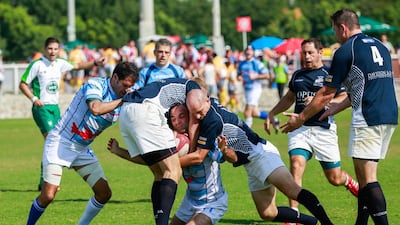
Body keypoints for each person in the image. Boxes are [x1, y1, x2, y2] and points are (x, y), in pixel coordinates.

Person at [281, 9, 398, 225]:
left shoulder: (347, 50)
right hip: (389, 114)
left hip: (368, 117)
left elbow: (325, 93)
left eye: (335, 30)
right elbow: (363, 87)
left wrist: (300, 118)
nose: (335, 35)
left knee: (369, 180)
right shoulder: (380, 47)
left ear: (342, 28)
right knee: (364, 179)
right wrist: (335, 108)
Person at [185, 88, 334, 225]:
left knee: (293, 191)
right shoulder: (212, 105)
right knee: (268, 213)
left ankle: (328, 223)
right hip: (250, 163)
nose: (198, 116)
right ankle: (310, 221)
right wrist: (224, 151)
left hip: (261, 155)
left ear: (207, 100)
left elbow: (198, 156)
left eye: (199, 112)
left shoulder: (212, 121)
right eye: (194, 114)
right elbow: (234, 158)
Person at [25, 61, 139, 225]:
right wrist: (123, 101)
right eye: (125, 84)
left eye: (131, 86)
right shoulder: (95, 85)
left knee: (104, 193)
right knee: (48, 195)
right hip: (60, 141)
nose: (127, 89)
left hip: (81, 148)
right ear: (114, 77)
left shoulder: (125, 96)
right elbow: (95, 108)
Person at [265, 38, 359, 225]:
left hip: (323, 130)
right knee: (296, 164)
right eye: (304, 53)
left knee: (334, 178)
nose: (306, 56)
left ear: (320, 52)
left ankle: (348, 181)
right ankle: (294, 215)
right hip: (300, 128)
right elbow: (289, 97)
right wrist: (272, 112)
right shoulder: (297, 75)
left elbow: (343, 96)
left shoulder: (329, 74)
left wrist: (321, 101)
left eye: (310, 52)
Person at [107, 103, 236, 225]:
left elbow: (232, 159)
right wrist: (119, 151)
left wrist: (224, 150)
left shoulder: (203, 139)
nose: (177, 121)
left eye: (181, 116)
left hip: (212, 202)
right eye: (173, 118)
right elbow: (150, 161)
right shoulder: (170, 143)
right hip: (190, 201)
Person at [19, 37, 106, 191]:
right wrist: (34, 98)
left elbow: (78, 66)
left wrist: (95, 63)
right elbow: (23, 83)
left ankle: (44, 182)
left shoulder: (59, 63)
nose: (53, 52)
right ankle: (48, 181)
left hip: (55, 108)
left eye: (55, 49)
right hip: (42, 108)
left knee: (52, 141)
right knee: (51, 139)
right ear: (45, 49)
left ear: (59, 50)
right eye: (50, 49)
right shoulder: (37, 64)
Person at [114, 78, 204, 225]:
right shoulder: (192, 89)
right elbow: (194, 120)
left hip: (126, 112)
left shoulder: (172, 86)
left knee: (159, 173)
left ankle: (159, 222)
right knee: (173, 171)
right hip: (146, 111)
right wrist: (192, 149)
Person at [237, 45, 270, 128]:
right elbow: (238, 75)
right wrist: (239, 77)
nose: (248, 52)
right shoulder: (241, 63)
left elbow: (267, 75)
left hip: (255, 89)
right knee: (255, 113)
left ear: (253, 52)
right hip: (247, 90)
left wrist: (256, 76)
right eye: (247, 50)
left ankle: (247, 134)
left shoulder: (256, 63)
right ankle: (273, 119)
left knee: (247, 112)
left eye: (250, 50)